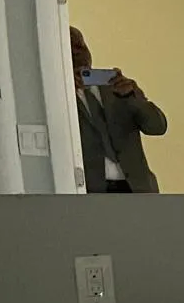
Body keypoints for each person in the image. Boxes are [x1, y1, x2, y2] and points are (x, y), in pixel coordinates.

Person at [71, 26, 168, 192]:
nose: (78, 54)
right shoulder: (60, 98)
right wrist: (66, 91)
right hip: (91, 191)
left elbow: (157, 127)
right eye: (70, 50)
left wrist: (133, 97)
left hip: (138, 189)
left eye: (81, 47)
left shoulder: (117, 87)